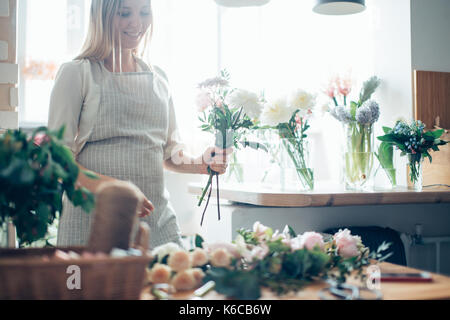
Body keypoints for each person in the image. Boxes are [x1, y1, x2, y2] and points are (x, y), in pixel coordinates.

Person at [48, 0, 231, 249]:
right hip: (91, 219)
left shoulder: (160, 78)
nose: (137, 23)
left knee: (172, 285)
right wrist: (115, 189)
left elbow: (170, 154)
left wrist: (202, 163)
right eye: (125, 13)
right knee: (92, 288)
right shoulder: (77, 73)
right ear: (101, 16)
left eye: (144, 12)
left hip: (155, 221)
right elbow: (59, 160)